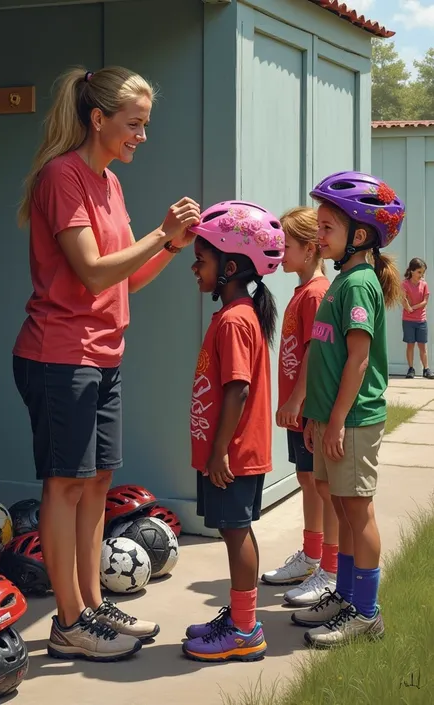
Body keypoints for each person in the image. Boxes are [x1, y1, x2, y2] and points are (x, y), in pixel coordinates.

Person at [13, 66, 200, 662]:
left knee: (95, 484)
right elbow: (93, 269)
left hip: (104, 353)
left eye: (146, 125)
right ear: (98, 119)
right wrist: (159, 232)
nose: (142, 136)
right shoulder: (62, 177)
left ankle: (91, 607)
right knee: (64, 485)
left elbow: (125, 279)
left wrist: (171, 245)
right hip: (58, 354)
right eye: (134, 124)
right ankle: (68, 622)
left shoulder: (110, 184)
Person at [298, 172, 405, 649]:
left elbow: (358, 360)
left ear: (358, 236)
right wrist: (317, 417)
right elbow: (328, 357)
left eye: (326, 228)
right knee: (337, 502)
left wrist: (337, 420)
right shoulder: (341, 280)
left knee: (357, 511)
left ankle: (367, 613)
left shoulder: (358, 284)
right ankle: (345, 595)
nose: (317, 236)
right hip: (332, 420)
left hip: (355, 420)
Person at [181, 201, 284, 663]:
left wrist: (220, 450)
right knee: (231, 530)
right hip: (229, 453)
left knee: (235, 531)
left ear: (232, 266)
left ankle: (244, 630)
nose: (194, 268)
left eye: (201, 260)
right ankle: (241, 618)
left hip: (234, 454)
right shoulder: (235, 315)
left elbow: (237, 390)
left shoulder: (234, 319)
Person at [261, 207, 339, 609]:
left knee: (322, 488)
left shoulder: (316, 293)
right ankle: (311, 556)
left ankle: (329, 566)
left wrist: (297, 399)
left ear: (310, 250)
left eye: (286, 246)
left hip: (310, 408)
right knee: (307, 482)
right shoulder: (300, 291)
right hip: (301, 409)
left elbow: (314, 349)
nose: (280, 252)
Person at [402, 257, 434, 379]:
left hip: (421, 320)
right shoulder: (404, 284)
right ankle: (411, 369)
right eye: (419, 272)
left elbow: (425, 301)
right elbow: (403, 299)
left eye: (423, 272)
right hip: (408, 321)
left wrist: (412, 307)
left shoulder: (424, 284)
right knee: (410, 345)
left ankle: (426, 369)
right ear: (411, 271)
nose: (421, 275)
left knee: (422, 346)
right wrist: (407, 306)